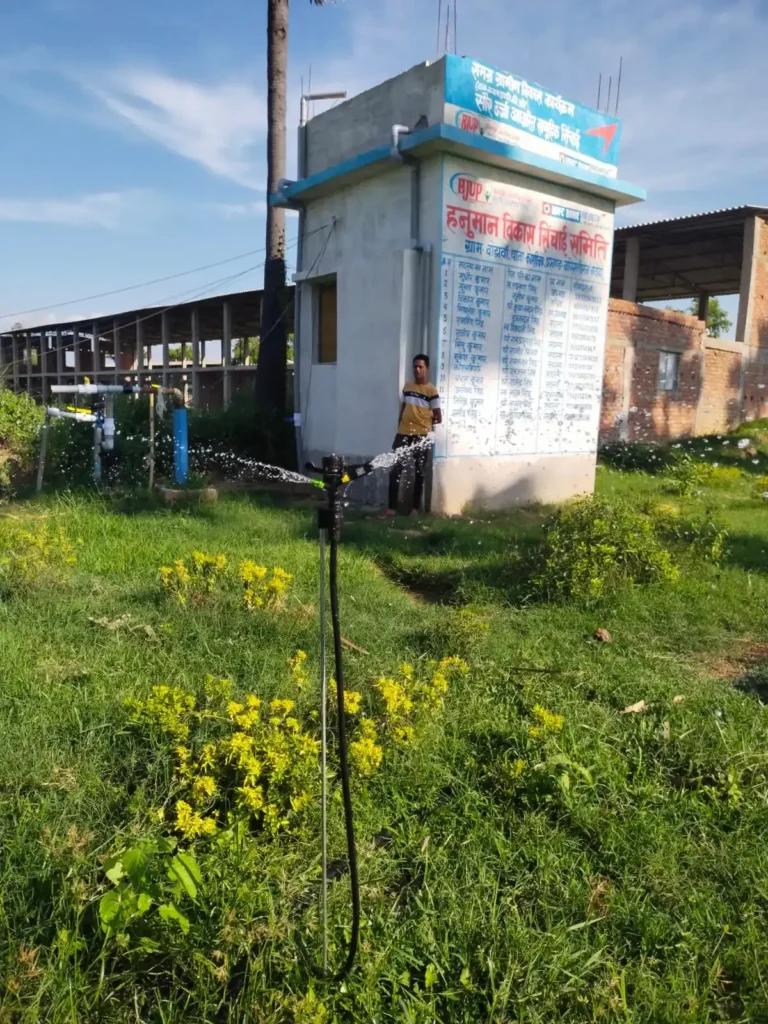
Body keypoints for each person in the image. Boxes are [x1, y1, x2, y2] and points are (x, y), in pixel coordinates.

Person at [380, 354, 442, 518]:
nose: (417, 370)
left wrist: (424, 424)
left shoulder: (431, 391)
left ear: (426, 369)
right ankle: (391, 508)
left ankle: (414, 508)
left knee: (419, 472)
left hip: (421, 436)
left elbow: (438, 417)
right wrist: (401, 423)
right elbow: (404, 407)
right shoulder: (407, 387)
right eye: (415, 366)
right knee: (395, 470)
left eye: (421, 367)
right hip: (403, 433)